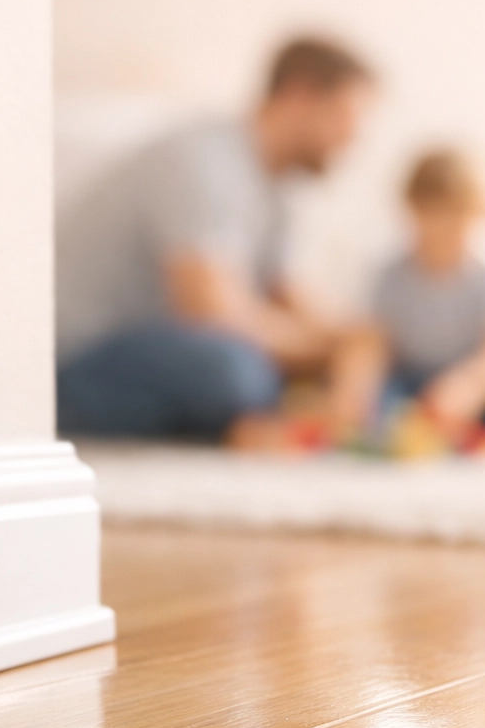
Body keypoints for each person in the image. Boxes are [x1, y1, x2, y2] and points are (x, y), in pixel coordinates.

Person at [55, 36, 376, 444]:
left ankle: (238, 423)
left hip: (169, 346)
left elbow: (288, 299)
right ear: (300, 95)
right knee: (233, 370)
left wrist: (360, 344)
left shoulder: (277, 190)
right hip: (82, 358)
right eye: (347, 115)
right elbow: (210, 310)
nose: (355, 137)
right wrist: (330, 352)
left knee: (356, 377)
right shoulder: (203, 159)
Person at [323, 149, 485, 446]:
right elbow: (368, 343)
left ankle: (468, 426)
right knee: (378, 411)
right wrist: (355, 392)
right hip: (413, 378)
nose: (443, 232)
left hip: (483, 378)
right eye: (432, 217)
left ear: (482, 216)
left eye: (457, 219)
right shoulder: (387, 270)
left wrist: (472, 386)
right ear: (411, 212)